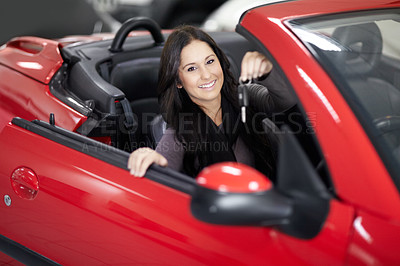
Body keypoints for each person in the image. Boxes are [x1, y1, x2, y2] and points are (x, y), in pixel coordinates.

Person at [127, 25, 295, 180]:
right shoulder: (181, 131)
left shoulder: (246, 96)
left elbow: (286, 102)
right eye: (192, 68)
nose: (206, 75)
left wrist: (268, 72)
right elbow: (164, 165)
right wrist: (151, 160)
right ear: (178, 81)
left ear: (220, 62)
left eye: (210, 61)